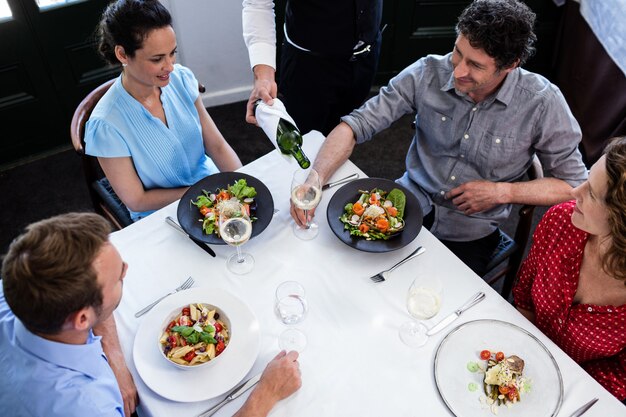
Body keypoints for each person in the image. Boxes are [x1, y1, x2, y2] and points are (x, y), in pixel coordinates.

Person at [293, 0, 587, 275]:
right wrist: (314, 180)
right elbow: (355, 125)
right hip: (406, 204)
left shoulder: (543, 103)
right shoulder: (427, 71)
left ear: (510, 65)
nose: (457, 70)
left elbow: (574, 185)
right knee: (345, 270)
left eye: (475, 65)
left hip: (471, 231)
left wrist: (503, 193)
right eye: (458, 52)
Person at [0, 213, 302, 416]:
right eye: (118, 278)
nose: (126, 272)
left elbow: (94, 304)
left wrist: (115, 358)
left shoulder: (16, 285)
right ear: (81, 320)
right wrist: (265, 395)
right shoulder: (88, 406)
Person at [85, 0, 242, 221]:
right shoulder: (105, 124)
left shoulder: (181, 78)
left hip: (214, 190)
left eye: (172, 53)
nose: (169, 66)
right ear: (122, 55)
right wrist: (203, 193)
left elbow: (216, 145)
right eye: (157, 59)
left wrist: (245, 184)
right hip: (162, 215)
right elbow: (136, 200)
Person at [513, 136, 626, 402]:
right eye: (587, 177)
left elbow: (619, 378)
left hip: (572, 391)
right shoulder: (561, 221)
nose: (576, 191)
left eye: (593, 194)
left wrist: (552, 391)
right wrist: (517, 355)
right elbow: (524, 295)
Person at [242, 0, 383, 136]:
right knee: (304, 141)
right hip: (308, 68)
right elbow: (257, 5)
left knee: (348, 130)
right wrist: (264, 77)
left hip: (366, 56)